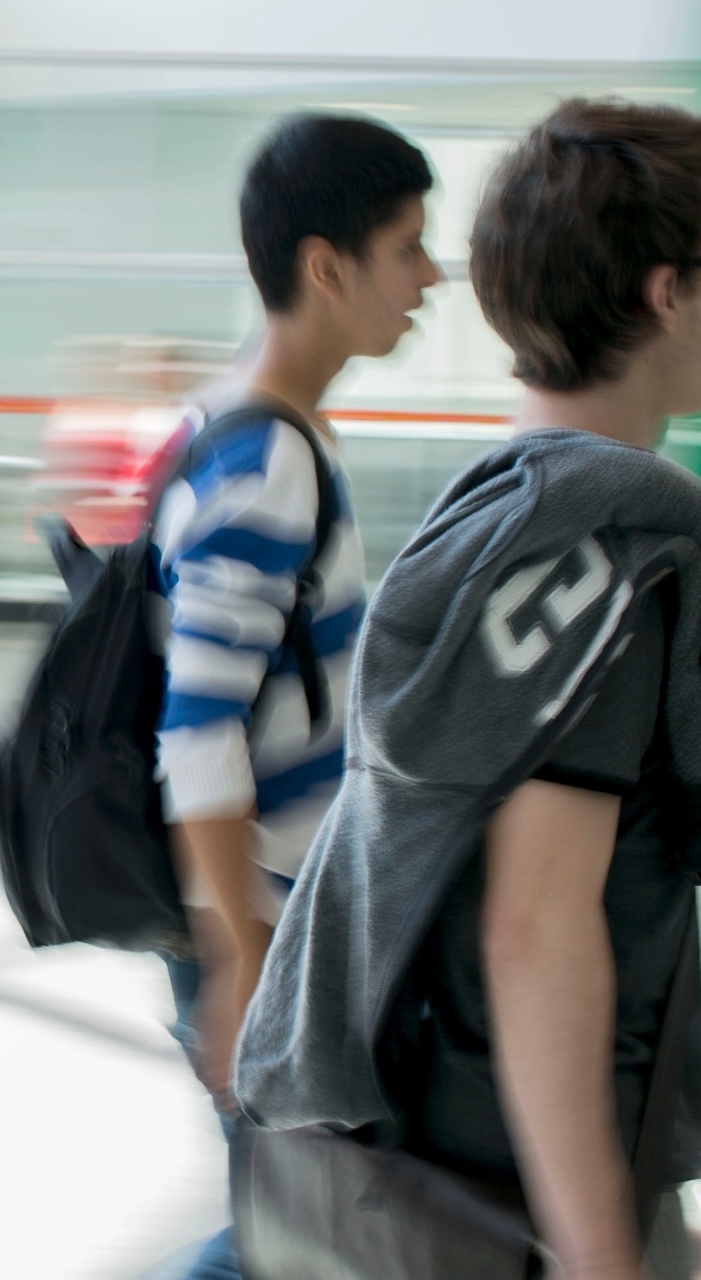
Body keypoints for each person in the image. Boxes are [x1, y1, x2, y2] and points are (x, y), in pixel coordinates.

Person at [237, 98, 701, 1280]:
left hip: (427, 1143)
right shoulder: (604, 551)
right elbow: (535, 923)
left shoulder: (504, 504)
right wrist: (603, 1251)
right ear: (666, 291)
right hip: (518, 1178)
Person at [151, 113, 439, 1279]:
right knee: (289, 1233)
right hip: (259, 918)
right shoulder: (266, 459)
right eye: (410, 247)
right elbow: (200, 724)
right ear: (328, 266)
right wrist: (239, 956)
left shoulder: (243, 426)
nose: (429, 278)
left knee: (294, 1223)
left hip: (266, 909)